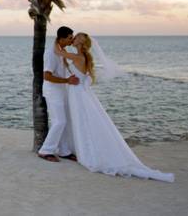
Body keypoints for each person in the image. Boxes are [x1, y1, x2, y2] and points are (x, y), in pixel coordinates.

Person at [56, 32, 175, 182]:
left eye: (76, 36)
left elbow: (58, 52)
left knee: (83, 121)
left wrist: (58, 40)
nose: (73, 38)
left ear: (81, 42)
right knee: (81, 121)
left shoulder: (79, 57)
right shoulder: (80, 57)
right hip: (78, 93)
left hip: (79, 94)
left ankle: (86, 151)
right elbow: (67, 62)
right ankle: (75, 148)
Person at [37, 26, 80, 162]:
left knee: (65, 121)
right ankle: (45, 150)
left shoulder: (61, 51)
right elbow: (47, 76)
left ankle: (63, 150)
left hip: (62, 90)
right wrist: (67, 80)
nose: (71, 40)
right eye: (69, 38)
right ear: (61, 38)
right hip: (53, 92)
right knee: (59, 121)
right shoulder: (51, 53)